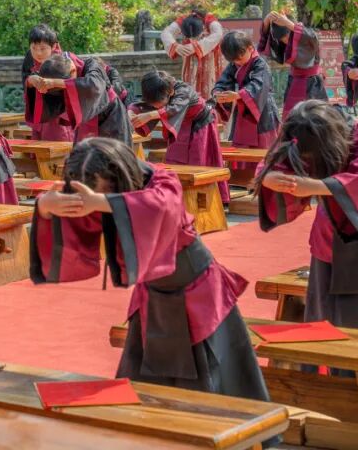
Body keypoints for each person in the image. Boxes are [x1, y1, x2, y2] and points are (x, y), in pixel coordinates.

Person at [32, 138, 268, 402]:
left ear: (120, 177)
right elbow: (79, 221)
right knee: (140, 389)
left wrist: (99, 201)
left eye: (105, 193)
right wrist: (46, 206)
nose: (98, 201)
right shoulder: (106, 195)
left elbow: (159, 206)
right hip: (152, 297)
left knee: (213, 390)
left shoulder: (163, 181)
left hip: (196, 293)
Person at [255, 100, 358, 334]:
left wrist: (314, 186)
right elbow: (272, 160)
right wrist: (268, 178)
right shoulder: (299, 130)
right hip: (328, 229)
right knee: (323, 309)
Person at [129, 69, 228, 206]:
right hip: (180, 126)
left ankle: (205, 200)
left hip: (201, 125)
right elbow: (140, 104)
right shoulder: (161, 90)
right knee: (173, 160)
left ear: (170, 92)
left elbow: (174, 108)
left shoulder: (183, 91)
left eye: (158, 103)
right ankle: (175, 196)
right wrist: (131, 112)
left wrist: (150, 115)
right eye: (153, 104)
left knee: (198, 162)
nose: (155, 107)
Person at [30, 53, 133, 144]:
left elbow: (93, 86)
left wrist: (57, 83)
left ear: (73, 70)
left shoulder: (92, 65)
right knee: (83, 156)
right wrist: (32, 80)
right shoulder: (56, 66)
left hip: (111, 118)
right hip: (86, 120)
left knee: (114, 156)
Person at [212, 32, 280, 150]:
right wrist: (218, 93)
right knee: (240, 147)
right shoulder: (234, 64)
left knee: (265, 148)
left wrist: (239, 95)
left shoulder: (261, 65)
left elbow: (258, 85)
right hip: (242, 107)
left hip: (262, 109)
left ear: (250, 48)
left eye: (239, 59)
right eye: (234, 61)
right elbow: (224, 81)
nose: (237, 63)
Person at [258, 12, 328, 115]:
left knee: (315, 116)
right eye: (282, 39)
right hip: (293, 81)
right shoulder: (285, 42)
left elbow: (312, 37)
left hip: (312, 84)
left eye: (286, 37)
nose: (285, 41)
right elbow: (268, 40)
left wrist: (287, 23)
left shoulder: (307, 37)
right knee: (292, 115)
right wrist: (267, 21)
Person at [21, 24, 77, 142]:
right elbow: (25, 79)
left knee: (58, 148)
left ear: (53, 46)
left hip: (59, 118)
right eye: (34, 48)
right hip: (39, 116)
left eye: (43, 49)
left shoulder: (65, 61)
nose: (38, 53)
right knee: (37, 149)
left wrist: (54, 83)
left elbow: (76, 86)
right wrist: (30, 81)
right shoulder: (29, 58)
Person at [161, 9, 226, 100]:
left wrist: (196, 46)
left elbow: (218, 34)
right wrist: (175, 46)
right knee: (190, 83)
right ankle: (192, 104)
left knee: (210, 84)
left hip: (209, 55)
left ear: (202, 27)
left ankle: (210, 105)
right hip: (190, 56)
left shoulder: (211, 22)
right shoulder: (183, 20)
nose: (192, 39)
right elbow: (166, 33)